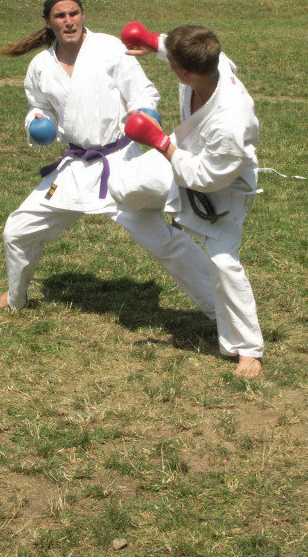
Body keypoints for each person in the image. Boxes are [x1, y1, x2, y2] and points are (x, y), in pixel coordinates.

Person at [0, 0, 217, 331]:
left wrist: (145, 113)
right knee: (18, 230)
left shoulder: (109, 48)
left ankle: (222, 313)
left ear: (82, 14)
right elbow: (38, 105)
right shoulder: (40, 66)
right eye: (60, 16)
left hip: (120, 165)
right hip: (75, 168)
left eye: (74, 13)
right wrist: (36, 122)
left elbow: (142, 92)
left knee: (164, 242)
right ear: (49, 22)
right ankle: (15, 297)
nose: (69, 21)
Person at [111, 22, 264, 378]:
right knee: (123, 191)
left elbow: (206, 178)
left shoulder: (230, 119)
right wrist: (153, 42)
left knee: (223, 263)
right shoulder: (211, 62)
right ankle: (173, 233)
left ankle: (248, 349)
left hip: (223, 185)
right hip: (183, 156)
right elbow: (184, 48)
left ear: (182, 73)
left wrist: (159, 141)